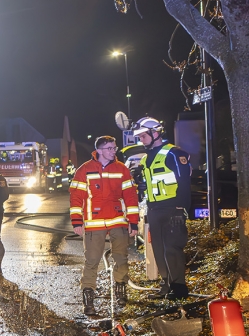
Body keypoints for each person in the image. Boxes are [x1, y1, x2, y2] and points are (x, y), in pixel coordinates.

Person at [70, 136, 140, 316]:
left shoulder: (122, 169)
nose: (113, 151)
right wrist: (77, 221)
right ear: (99, 151)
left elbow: (131, 196)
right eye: (109, 148)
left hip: (118, 220)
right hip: (94, 223)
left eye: (114, 148)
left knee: (121, 258)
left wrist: (133, 221)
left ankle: (120, 288)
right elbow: (76, 197)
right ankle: (88, 297)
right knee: (92, 260)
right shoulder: (84, 170)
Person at [133, 117, 192, 300]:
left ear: (156, 133)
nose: (141, 139)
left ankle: (179, 289)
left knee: (172, 249)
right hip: (154, 209)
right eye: (139, 136)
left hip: (172, 208)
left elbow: (184, 182)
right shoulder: (145, 159)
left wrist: (182, 209)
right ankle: (166, 286)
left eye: (143, 135)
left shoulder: (173, 154)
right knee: (159, 250)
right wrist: (141, 184)